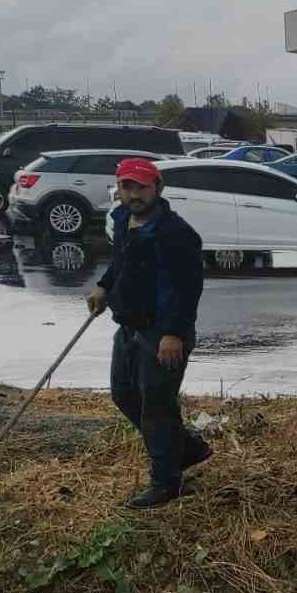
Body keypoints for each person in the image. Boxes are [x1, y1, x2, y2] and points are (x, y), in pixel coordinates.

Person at [86, 159, 209, 509]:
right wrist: (103, 287)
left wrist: (173, 334)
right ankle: (187, 449)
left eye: (141, 186)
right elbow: (121, 263)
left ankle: (165, 483)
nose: (134, 194)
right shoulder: (124, 220)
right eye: (127, 186)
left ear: (158, 187)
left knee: (157, 407)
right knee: (124, 394)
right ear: (119, 188)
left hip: (164, 333)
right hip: (128, 325)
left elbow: (189, 288)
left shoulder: (176, 233)